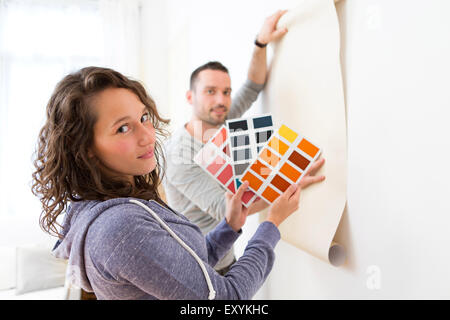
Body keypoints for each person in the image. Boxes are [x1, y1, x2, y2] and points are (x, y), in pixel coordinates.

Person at [31, 66, 325, 300]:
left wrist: (230, 227)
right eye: (123, 128)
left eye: (144, 117)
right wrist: (272, 224)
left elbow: (189, 263)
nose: (148, 136)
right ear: (85, 149)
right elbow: (227, 298)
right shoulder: (122, 227)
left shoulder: (123, 199)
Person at [163, 10, 289, 275]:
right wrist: (290, 177)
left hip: (226, 257)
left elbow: (253, 86)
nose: (221, 100)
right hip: (201, 268)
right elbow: (229, 211)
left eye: (226, 92)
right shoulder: (180, 155)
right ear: (190, 97)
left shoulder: (221, 122)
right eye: (210, 92)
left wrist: (261, 43)